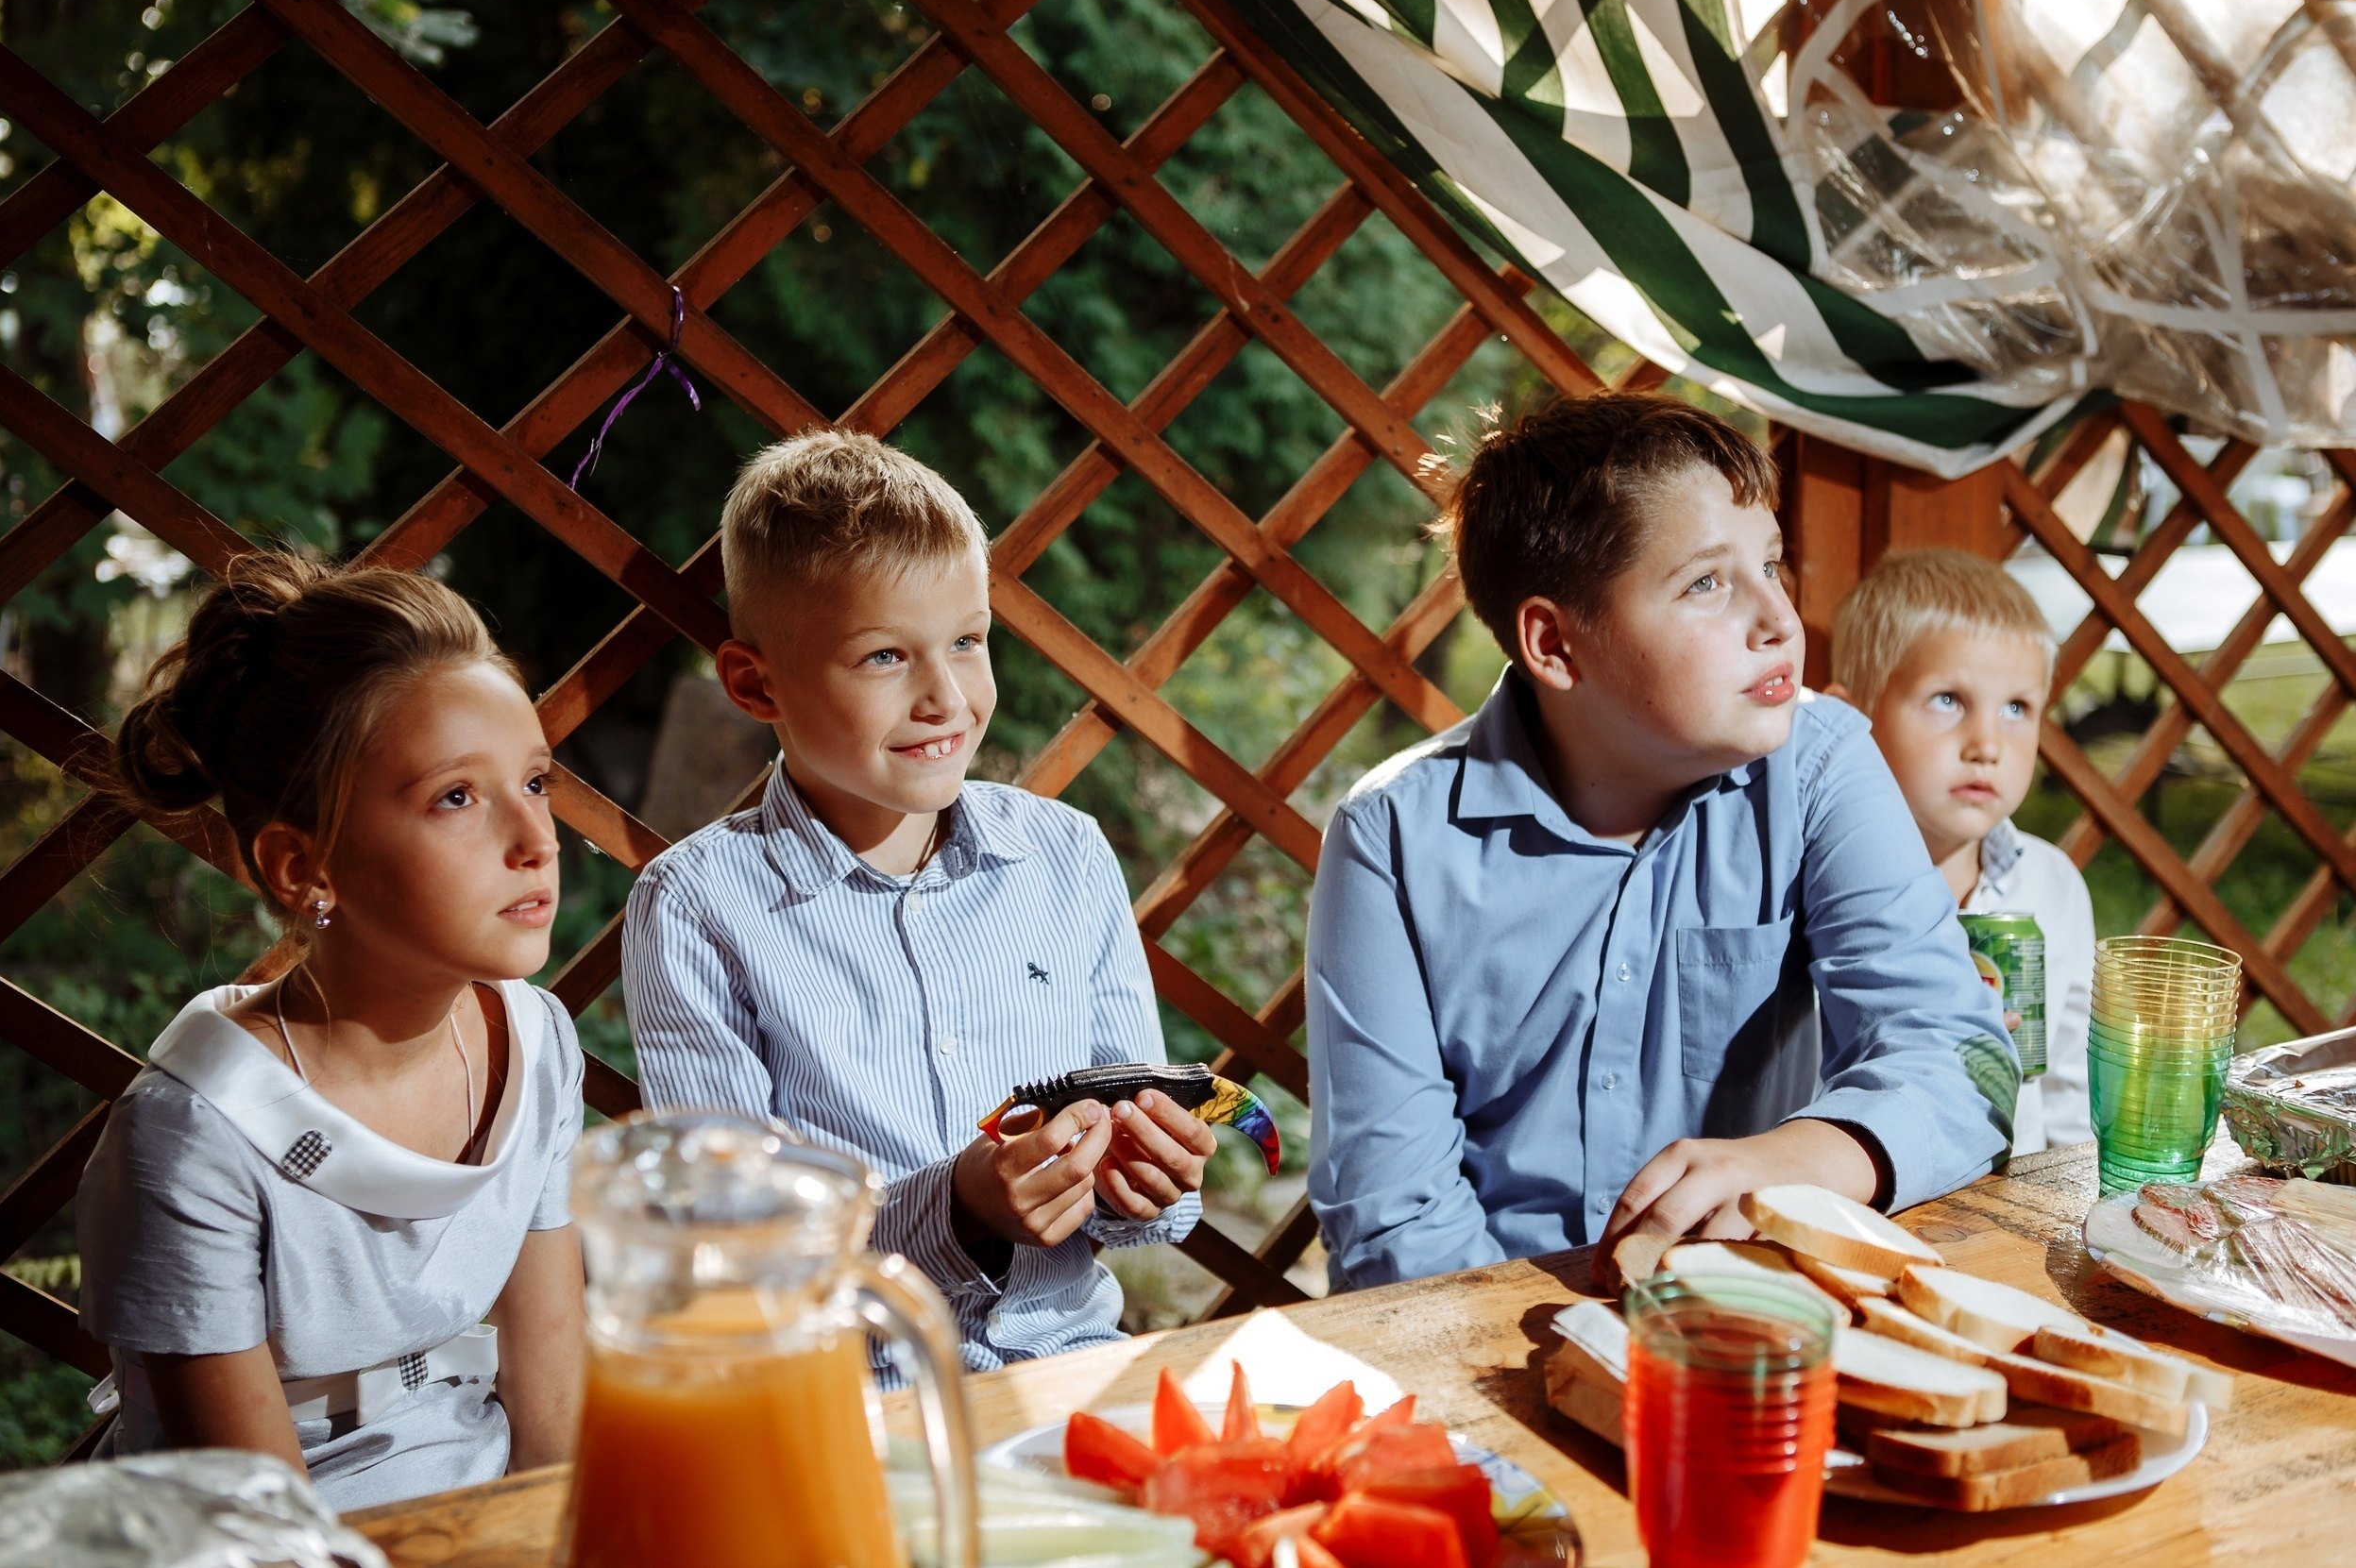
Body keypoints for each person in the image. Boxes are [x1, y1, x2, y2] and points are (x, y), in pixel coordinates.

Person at [1304, 393, 2016, 1294]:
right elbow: (1394, 1218)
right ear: (1555, 643)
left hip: (1744, 1312)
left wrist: (1794, 1159)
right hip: (1475, 1319)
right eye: (1706, 584)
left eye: (1771, 564)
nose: (1781, 618)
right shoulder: (1391, 839)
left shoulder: (1821, 764)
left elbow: (1964, 1060)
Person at [624, 430, 1214, 1373]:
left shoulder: (1065, 857)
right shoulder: (698, 909)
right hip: (846, 1399)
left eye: (968, 642)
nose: (946, 696)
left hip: (1070, 1366)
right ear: (754, 683)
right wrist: (957, 1207)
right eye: (884, 657)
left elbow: (1141, 1189)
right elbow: (736, 1253)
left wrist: (1144, 1179)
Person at [76, 552, 586, 1510]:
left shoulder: (536, 1039)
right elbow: (265, 1520)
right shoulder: (193, 1139)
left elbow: (551, 1408)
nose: (537, 840)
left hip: (478, 1500)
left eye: (536, 780)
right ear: (302, 868)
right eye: (457, 797)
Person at [1826, 548, 2091, 1155]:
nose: (1987, 744)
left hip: (2020, 1199)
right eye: (1948, 699)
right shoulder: (1819, 893)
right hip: (1865, 1188)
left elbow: (2068, 1088)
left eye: (2016, 708)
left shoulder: (2052, 885)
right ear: (1849, 718)